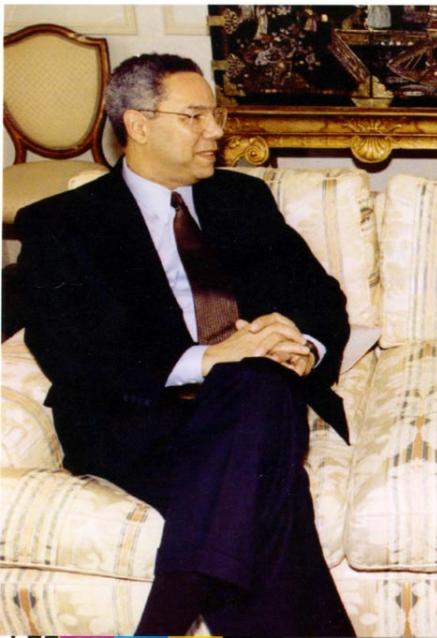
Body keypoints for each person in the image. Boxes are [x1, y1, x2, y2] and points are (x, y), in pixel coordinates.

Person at [15, 54, 356, 636]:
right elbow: (72, 350)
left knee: (259, 381)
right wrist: (204, 359)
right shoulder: (63, 222)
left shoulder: (241, 201)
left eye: (214, 115)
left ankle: (159, 626)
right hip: (137, 417)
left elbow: (320, 297)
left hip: (249, 403)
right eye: (195, 116)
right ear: (138, 124)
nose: (217, 131)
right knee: (270, 494)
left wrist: (304, 346)